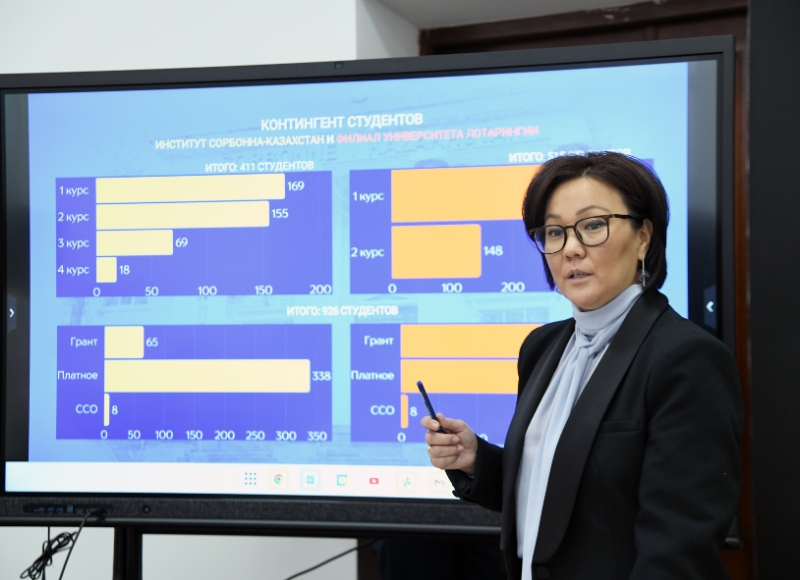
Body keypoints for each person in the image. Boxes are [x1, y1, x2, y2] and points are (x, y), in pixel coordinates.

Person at [422, 152, 743, 580]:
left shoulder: (685, 358)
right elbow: (561, 496)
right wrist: (477, 460)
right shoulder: (541, 346)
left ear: (643, 237)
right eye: (555, 232)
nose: (571, 248)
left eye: (592, 226)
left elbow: (679, 549)